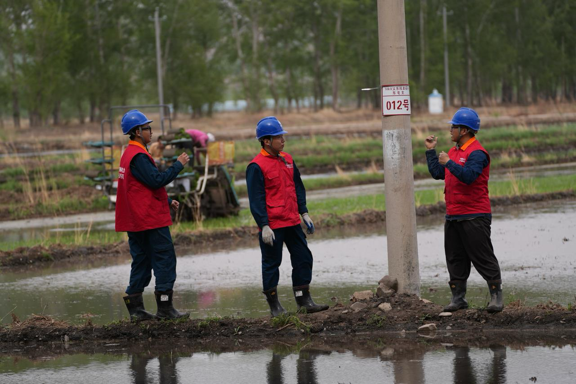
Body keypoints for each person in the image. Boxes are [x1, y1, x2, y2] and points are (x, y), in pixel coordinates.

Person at [246, 116, 329, 317]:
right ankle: (275, 306)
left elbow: (297, 187)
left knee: (303, 258)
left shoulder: (288, 159)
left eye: (282, 136)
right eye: (278, 137)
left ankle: (304, 300)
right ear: (266, 141)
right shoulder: (256, 166)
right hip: (272, 226)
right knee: (272, 263)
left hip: (292, 221)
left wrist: (304, 212)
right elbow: (256, 199)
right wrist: (263, 225)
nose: (283, 140)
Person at [425, 107, 503, 313]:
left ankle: (496, 297)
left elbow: (469, 176)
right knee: (455, 258)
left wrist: (449, 163)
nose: (450, 130)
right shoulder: (453, 151)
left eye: (454, 127)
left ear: (465, 130)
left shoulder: (477, 153)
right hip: (453, 215)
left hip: (475, 215)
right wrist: (431, 151)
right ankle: (458, 299)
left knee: (482, 256)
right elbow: (437, 173)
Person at [116, 109, 191, 321]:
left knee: (141, 261)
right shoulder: (139, 156)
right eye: (147, 128)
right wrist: (178, 165)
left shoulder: (128, 154)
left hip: (136, 219)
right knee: (164, 259)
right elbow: (156, 180)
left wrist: (166, 200)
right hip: (149, 219)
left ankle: (136, 311)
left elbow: (140, 187)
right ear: (138, 131)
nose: (151, 131)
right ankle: (166, 309)